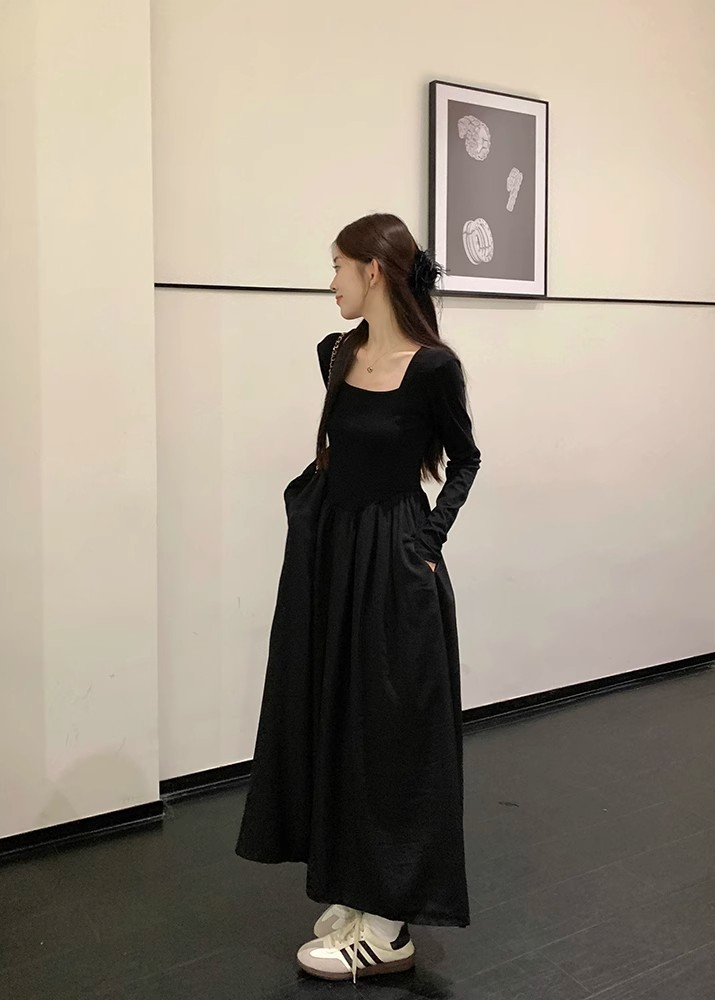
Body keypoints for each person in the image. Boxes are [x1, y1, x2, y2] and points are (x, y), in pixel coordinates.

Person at [235, 213, 481, 983]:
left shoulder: (433, 368)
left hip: (394, 565)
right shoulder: (335, 353)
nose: (331, 281)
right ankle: (357, 886)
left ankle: (391, 924)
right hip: (334, 562)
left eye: (337, 265)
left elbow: (466, 460)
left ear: (373, 271)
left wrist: (427, 541)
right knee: (339, 717)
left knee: (393, 732)